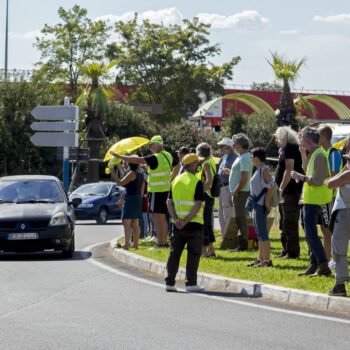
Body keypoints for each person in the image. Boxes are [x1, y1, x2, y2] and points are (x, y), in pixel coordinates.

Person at [111, 135, 180, 247]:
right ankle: (164, 241)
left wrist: (120, 156)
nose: (150, 148)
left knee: (155, 216)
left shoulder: (155, 157)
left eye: (151, 145)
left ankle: (160, 242)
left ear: (156, 145)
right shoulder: (168, 155)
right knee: (162, 217)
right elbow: (178, 166)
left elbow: (138, 160)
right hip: (166, 189)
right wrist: (171, 179)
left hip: (156, 190)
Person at [291, 127, 332, 277]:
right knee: (310, 234)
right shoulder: (314, 154)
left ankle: (322, 265)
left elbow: (318, 180)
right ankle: (314, 263)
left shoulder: (320, 155)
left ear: (308, 140)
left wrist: (300, 177)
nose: (300, 140)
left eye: (302, 138)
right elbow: (307, 168)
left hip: (316, 200)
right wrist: (303, 154)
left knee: (311, 234)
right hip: (310, 199)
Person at [165, 153, 205, 292]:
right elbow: (198, 204)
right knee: (193, 254)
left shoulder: (175, 180)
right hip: (194, 224)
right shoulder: (196, 182)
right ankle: (191, 283)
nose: (198, 166)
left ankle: (169, 282)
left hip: (177, 225)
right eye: (197, 163)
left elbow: (169, 202)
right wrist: (186, 220)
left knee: (174, 253)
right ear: (193, 165)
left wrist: (176, 219)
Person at [274, 126, 303, 259]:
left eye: (277, 137)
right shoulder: (285, 149)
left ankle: (292, 251)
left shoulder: (290, 148)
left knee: (289, 220)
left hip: (290, 190)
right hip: (286, 191)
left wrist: (281, 187)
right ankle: (285, 249)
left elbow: (289, 169)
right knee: (283, 220)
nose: (276, 140)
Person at [327, 152, 350, 296]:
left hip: (344, 213)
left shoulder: (347, 175)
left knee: (339, 250)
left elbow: (330, 184)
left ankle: (340, 285)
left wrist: (343, 170)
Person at [247, 148, 274, 267]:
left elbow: (271, 186)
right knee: (258, 233)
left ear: (257, 158)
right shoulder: (258, 169)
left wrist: (267, 203)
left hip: (261, 205)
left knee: (262, 233)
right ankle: (260, 259)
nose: (251, 159)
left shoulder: (264, 169)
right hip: (256, 205)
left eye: (252, 157)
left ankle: (267, 260)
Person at [318, 125, 342, 261]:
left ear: (325, 137)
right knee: (324, 228)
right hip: (322, 196)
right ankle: (329, 255)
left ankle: (329, 258)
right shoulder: (321, 151)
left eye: (318, 135)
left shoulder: (334, 153)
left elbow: (334, 175)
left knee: (328, 229)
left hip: (330, 197)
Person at [111, 159, 145, 250]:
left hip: (130, 198)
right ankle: (135, 245)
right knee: (135, 223)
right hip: (138, 198)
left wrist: (113, 171)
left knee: (126, 222)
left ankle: (126, 245)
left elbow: (120, 183)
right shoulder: (141, 174)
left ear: (130, 164)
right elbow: (142, 188)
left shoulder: (131, 173)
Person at [229, 133, 253, 251]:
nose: (233, 146)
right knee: (239, 217)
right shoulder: (241, 156)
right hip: (239, 191)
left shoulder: (245, 157)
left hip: (241, 191)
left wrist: (236, 191)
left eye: (234, 144)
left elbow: (244, 177)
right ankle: (242, 243)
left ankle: (243, 244)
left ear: (239, 145)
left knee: (241, 217)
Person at [196, 142, 216, 258]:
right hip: (210, 197)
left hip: (206, 197)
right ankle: (211, 250)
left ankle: (203, 251)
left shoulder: (206, 164)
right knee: (208, 224)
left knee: (204, 224)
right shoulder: (211, 161)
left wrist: (201, 192)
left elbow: (209, 181)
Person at [217, 137, 237, 238]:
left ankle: (230, 236)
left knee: (228, 212)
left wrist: (229, 172)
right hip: (221, 186)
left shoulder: (235, 157)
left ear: (229, 147)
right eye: (220, 147)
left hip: (229, 186)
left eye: (223, 147)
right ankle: (224, 235)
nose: (221, 149)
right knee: (221, 212)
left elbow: (238, 173)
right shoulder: (223, 157)